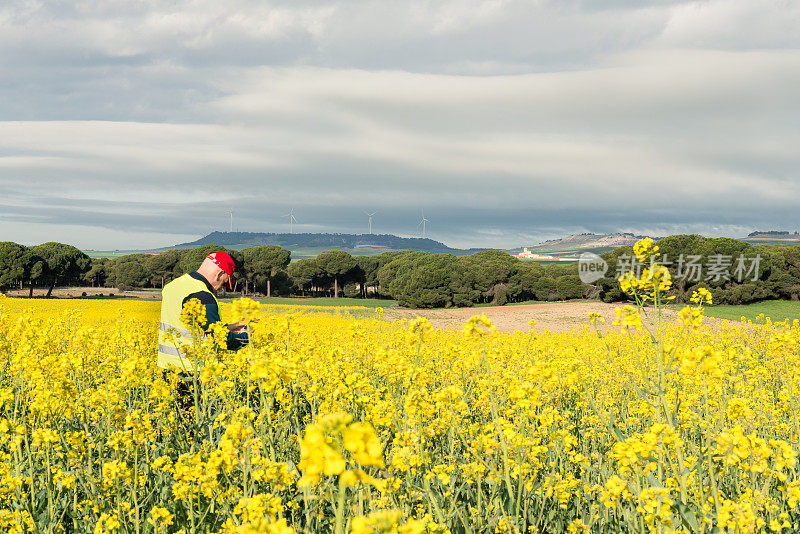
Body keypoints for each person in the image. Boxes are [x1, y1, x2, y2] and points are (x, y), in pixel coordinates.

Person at [157, 251, 249, 372]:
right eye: (224, 282)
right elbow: (220, 338)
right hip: (195, 370)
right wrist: (246, 338)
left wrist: (228, 327)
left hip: (167, 366)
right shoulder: (202, 295)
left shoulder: (173, 285)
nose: (222, 287)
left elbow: (189, 324)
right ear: (219, 274)